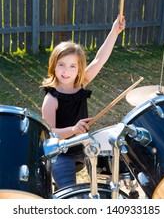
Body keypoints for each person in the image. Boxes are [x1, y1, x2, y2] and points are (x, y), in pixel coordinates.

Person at [41, 14, 125, 189]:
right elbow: (49, 136)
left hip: (86, 147)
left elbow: (99, 59)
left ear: (79, 69)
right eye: (61, 65)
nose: (66, 71)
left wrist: (114, 32)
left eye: (73, 66)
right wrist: (73, 129)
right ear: (53, 65)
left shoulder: (81, 83)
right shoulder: (51, 99)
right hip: (62, 154)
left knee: (103, 187)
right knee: (69, 193)